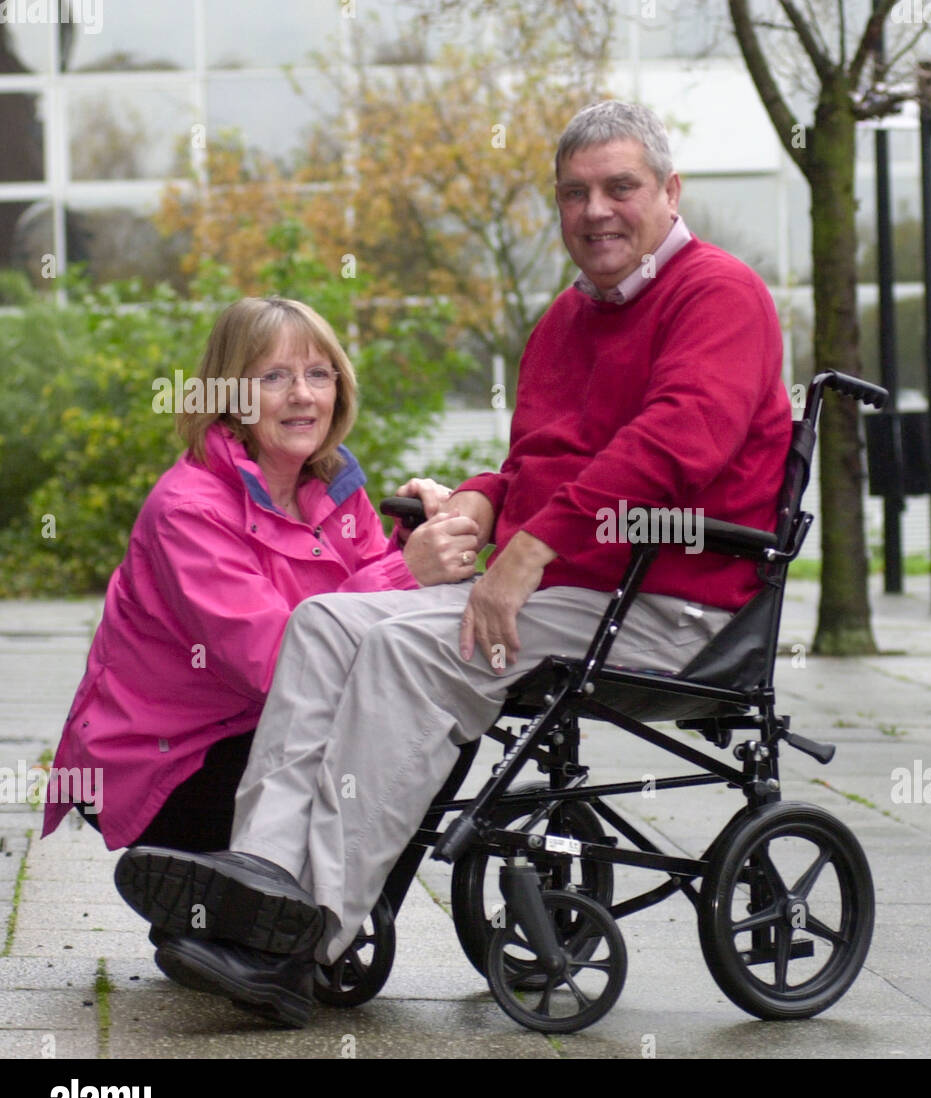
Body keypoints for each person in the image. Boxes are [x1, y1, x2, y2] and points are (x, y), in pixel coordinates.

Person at [114, 101, 792, 1027]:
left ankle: (309, 935)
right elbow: (542, 463)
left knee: (404, 652)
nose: (596, 210)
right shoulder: (565, 321)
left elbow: (676, 447)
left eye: (620, 187)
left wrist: (529, 547)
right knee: (324, 622)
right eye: (575, 193)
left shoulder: (719, 294)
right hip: (573, 591)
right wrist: (482, 497)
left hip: (668, 599)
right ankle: (261, 876)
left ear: (670, 192)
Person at [45, 297, 475, 861]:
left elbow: (376, 604)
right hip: (167, 762)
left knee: (441, 717)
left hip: (267, 729)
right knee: (409, 736)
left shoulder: (330, 484)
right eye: (274, 377)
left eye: (318, 374)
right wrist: (408, 570)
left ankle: (324, 907)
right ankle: (263, 899)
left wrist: (413, 542)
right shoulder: (189, 511)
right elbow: (278, 667)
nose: (303, 394)